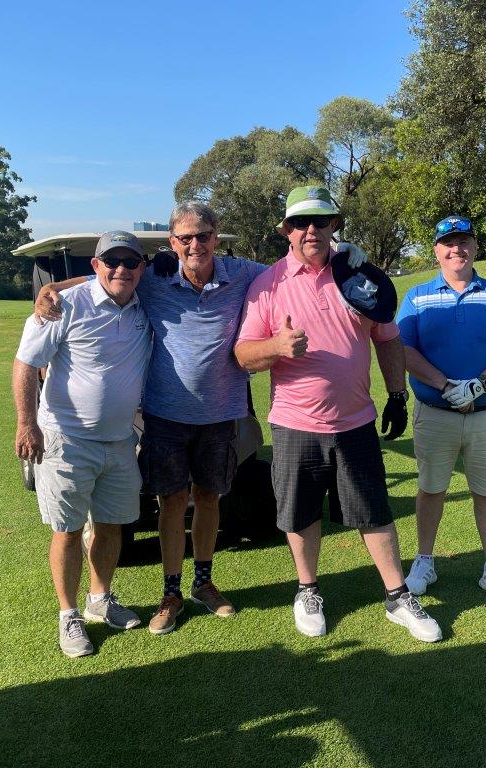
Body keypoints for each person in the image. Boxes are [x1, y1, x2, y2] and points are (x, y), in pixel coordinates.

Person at [35, 203, 369, 635]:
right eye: (186, 238)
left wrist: (345, 256)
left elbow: (293, 268)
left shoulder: (243, 273)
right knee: (172, 503)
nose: (196, 245)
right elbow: (108, 276)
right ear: (173, 242)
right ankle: (171, 592)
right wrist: (54, 288)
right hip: (165, 415)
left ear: (216, 236)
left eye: (204, 235)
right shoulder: (153, 277)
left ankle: (203, 584)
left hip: (221, 413)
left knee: (210, 499)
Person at [234, 185, 442, 643]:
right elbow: (244, 354)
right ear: (286, 230)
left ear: (335, 226)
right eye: (300, 222)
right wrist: (277, 346)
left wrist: (397, 395)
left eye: (320, 221)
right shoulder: (267, 285)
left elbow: (387, 338)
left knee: (373, 511)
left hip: (355, 421)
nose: (310, 230)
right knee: (300, 513)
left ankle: (397, 595)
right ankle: (308, 590)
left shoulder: (358, 276)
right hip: (294, 423)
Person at [13, 231, 152, 657]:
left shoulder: (146, 301)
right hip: (66, 439)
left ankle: (100, 598)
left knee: (111, 526)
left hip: (120, 441)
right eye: (112, 261)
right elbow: (25, 365)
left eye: (131, 262)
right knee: (68, 531)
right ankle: (68, 614)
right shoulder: (63, 306)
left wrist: (55, 283)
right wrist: (26, 424)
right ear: (95, 265)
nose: (122, 269)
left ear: (142, 267)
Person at [396, 215, 486, 606]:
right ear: (436, 250)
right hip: (436, 412)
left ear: (475, 247)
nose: (457, 249)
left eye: (464, 241)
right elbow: (403, 349)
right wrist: (446, 386)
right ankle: (424, 562)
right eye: (449, 243)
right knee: (431, 488)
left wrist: (479, 385)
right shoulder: (417, 296)